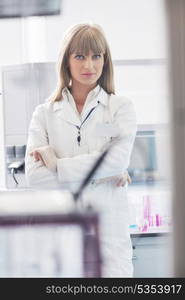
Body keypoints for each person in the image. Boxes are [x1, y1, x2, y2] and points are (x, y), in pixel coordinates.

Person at [25, 23, 137, 277]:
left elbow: (118, 160)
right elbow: (35, 176)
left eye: (96, 56)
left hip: (109, 240)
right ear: (66, 61)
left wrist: (57, 166)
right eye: (80, 56)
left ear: (104, 60)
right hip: (62, 238)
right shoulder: (44, 114)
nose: (89, 65)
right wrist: (101, 172)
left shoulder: (119, 108)